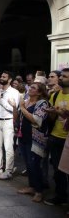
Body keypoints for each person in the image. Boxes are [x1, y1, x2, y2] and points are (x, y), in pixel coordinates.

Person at [12, 82, 49, 203]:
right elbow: (17, 117)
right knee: (28, 164)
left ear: (39, 92)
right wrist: (15, 107)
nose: (30, 88)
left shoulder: (42, 103)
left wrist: (22, 108)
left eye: (33, 88)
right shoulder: (26, 101)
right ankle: (32, 187)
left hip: (35, 139)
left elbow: (36, 120)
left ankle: (39, 191)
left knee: (35, 165)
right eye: (31, 86)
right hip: (23, 136)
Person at [43, 67, 69, 206]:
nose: (60, 78)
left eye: (64, 76)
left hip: (67, 138)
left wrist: (63, 113)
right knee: (58, 170)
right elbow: (53, 116)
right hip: (55, 136)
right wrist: (51, 112)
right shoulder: (55, 95)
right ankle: (60, 196)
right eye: (61, 76)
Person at [0, 71, 20, 179]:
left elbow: (13, 108)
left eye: (4, 77)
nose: (1, 78)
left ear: (10, 79)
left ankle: (8, 170)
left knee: (8, 147)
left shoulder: (14, 92)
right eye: (1, 76)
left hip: (8, 121)